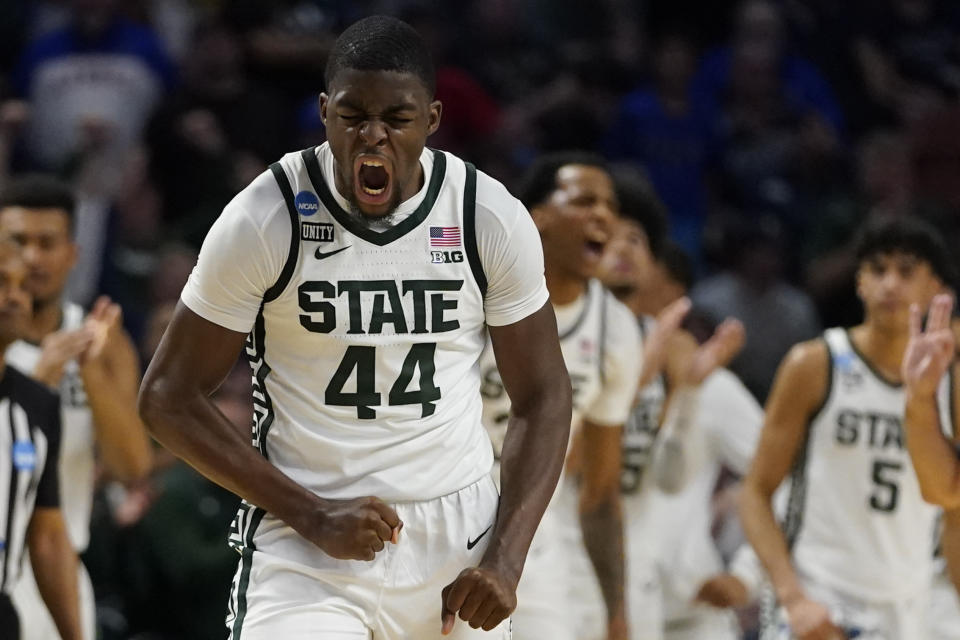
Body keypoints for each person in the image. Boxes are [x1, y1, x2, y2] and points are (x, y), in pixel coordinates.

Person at [138, 15, 572, 640]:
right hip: (307, 539)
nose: (372, 137)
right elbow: (166, 397)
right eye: (352, 116)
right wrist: (311, 514)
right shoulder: (268, 215)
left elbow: (544, 393)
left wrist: (506, 558)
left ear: (432, 118)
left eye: (396, 119)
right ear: (323, 112)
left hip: (460, 537)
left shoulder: (486, 214)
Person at [740, 216, 960, 639]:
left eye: (907, 271)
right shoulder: (815, 363)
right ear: (859, 281)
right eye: (877, 270)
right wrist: (792, 597)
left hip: (909, 604)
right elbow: (754, 492)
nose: (889, 284)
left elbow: (950, 506)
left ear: (937, 288)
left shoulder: (949, 383)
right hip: (820, 594)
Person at [478, 152, 642, 640]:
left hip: (530, 536)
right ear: (537, 217)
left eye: (610, 205)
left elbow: (601, 491)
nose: (603, 216)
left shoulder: (616, 329)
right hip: (441, 501)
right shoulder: (475, 289)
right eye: (584, 200)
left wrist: (616, 609)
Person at [598, 177, 756, 640]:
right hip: (565, 580)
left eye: (636, 244)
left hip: (680, 606)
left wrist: (746, 573)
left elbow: (783, 477)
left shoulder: (704, 381)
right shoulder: (554, 348)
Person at [0, 174, 154, 640]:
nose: (31, 258)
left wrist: (86, 367)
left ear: (72, 254)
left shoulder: (103, 343)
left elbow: (132, 467)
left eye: (47, 243)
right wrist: (39, 379)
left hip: (61, 559)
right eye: (17, 241)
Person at [0, 240, 82, 640]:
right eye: (1, 283)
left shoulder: (38, 404)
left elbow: (47, 533)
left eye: (21, 286)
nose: (15, 297)